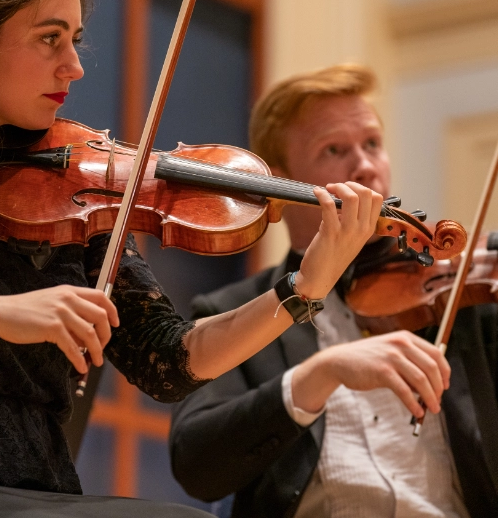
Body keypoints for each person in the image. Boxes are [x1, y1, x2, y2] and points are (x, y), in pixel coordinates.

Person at [0, 0, 386, 518]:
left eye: (75, 39)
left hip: (35, 491)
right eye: (50, 39)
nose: (74, 66)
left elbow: (172, 363)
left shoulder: (70, 192)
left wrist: (303, 289)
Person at [169, 64, 498, 518]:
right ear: (280, 185)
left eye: (372, 144)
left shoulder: (457, 296)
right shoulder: (232, 313)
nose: (365, 164)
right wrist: (318, 374)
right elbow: (196, 465)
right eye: (334, 149)